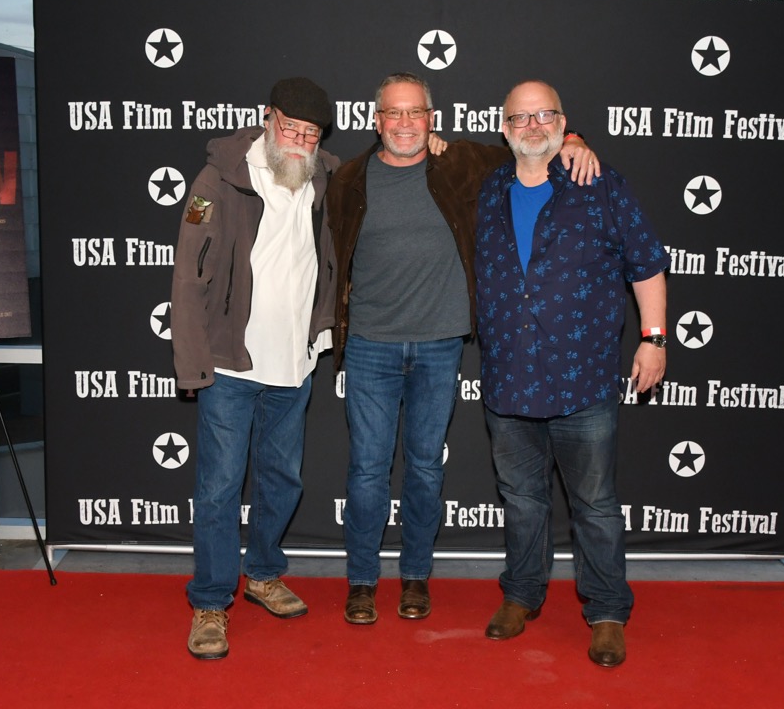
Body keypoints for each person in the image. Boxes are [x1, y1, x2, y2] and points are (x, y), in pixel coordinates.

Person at [326, 72, 598, 625]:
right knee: (367, 471)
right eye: (393, 114)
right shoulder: (349, 179)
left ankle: (416, 578)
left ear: (433, 119)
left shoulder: (463, 163)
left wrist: (573, 141)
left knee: (426, 468)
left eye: (415, 113)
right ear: (376, 121)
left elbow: (534, 142)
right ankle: (360, 581)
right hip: (370, 347)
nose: (404, 124)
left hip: (440, 345)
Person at [474, 80, 669, 668]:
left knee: (595, 504)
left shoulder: (600, 184)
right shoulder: (487, 189)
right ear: (504, 128)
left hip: (582, 379)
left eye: (546, 116)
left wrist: (654, 338)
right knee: (522, 499)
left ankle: (608, 611)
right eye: (521, 118)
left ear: (563, 122)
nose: (533, 126)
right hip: (509, 379)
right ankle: (521, 595)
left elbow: (647, 264)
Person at [170, 77, 338, 660]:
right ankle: (211, 602)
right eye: (290, 128)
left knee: (282, 480)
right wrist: (190, 360)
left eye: (310, 134)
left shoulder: (325, 181)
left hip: (295, 364)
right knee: (218, 486)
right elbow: (187, 273)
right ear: (269, 119)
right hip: (230, 364)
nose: (298, 141)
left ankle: (264, 573)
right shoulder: (219, 178)